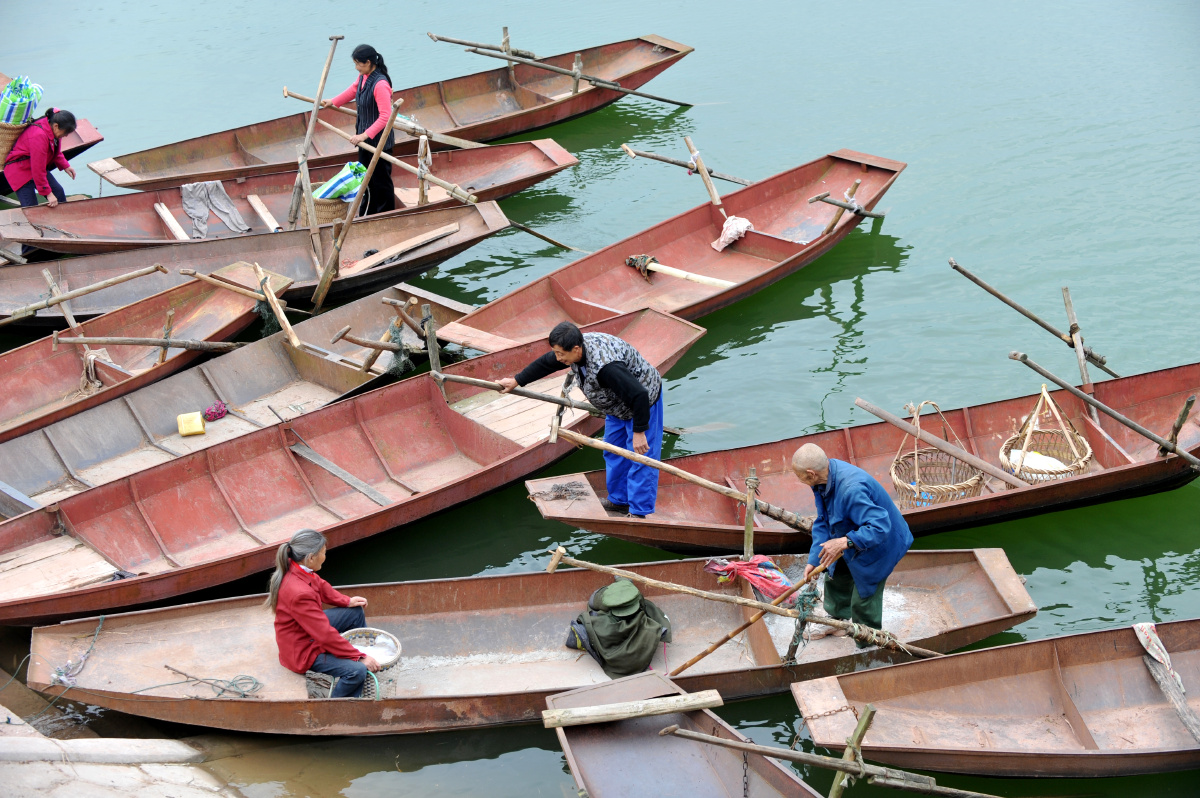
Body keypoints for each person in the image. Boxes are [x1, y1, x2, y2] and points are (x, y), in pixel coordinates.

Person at [498, 321, 665, 518]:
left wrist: (639, 431)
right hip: (615, 405)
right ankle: (619, 501)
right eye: (556, 352)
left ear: (577, 349)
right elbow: (546, 363)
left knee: (640, 457)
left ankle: (639, 511)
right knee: (613, 452)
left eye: (561, 354)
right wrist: (517, 380)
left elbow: (639, 395)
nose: (558, 358)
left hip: (642, 404)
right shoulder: (572, 349)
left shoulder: (606, 367)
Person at [793, 443, 913, 646]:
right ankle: (837, 621)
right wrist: (814, 560)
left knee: (865, 595)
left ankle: (867, 642)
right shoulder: (823, 479)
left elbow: (880, 526)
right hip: (852, 532)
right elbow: (823, 520)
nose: (800, 481)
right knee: (835, 570)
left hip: (882, 542)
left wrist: (844, 542)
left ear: (810, 473)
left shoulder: (851, 489)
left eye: (800, 476)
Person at [265, 528, 381, 697]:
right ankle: (337, 706)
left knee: (355, 612)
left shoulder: (296, 566)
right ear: (311, 557)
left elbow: (320, 584)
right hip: (302, 650)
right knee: (357, 671)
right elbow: (324, 634)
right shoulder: (299, 593)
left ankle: (359, 656)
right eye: (323, 553)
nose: (325, 557)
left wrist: (347, 601)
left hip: (305, 630)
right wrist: (359, 657)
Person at [322, 44, 396, 216]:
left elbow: (386, 117)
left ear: (369, 62)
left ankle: (386, 215)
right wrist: (333, 102)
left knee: (381, 182)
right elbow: (354, 90)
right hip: (364, 140)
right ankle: (368, 213)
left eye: (358, 64)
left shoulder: (380, 84)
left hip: (379, 142)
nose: (356, 68)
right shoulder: (363, 76)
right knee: (365, 179)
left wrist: (363, 135)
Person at [2, 108, 76, 209]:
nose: (66, 135)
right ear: (56, 126)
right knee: (31, 208)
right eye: (65, 132)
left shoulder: (52, 129)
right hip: (20, 170)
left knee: (58, 192)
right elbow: (38, 169)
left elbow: (54, 150)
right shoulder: (39, 136)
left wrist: (66, 166)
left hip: (32, 165)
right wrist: (48, 194)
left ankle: (63, 220)